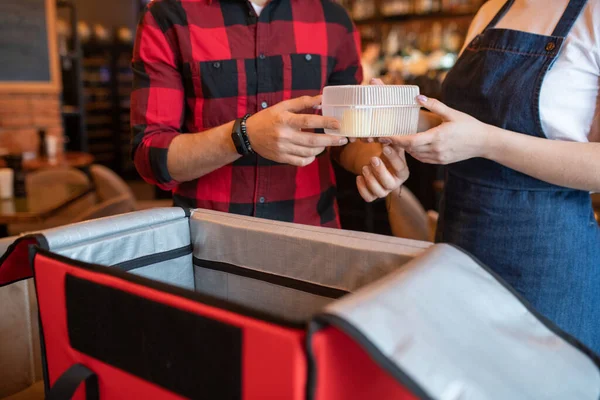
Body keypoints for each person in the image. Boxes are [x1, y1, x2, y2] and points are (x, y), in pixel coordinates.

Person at [378, 0, 600, 352]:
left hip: (547, 259)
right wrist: (391, 115)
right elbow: (459, 126)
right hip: (460, 245)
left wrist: (486, 142)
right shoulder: (493, 9)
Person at [130, 0, 408, 228]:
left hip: (311, 237)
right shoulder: (168, 15)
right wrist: (243, 136)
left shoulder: (334, 19)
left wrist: (374, 161)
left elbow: (341, 135)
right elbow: (151, 156)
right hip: (208, 242)